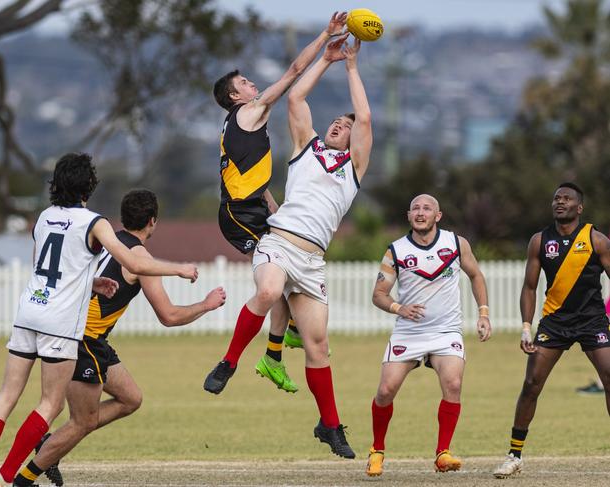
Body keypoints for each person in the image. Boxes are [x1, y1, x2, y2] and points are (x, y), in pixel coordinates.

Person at [0, 154, 196, 487]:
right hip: (59, 322)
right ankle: (5, 476)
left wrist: (92, 282)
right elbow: (133, 262)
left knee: (6, 395)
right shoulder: (94, 222)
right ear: (89, 186)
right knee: (50, 404)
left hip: (30, 309)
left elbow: (44, 269)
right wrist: (179, 269)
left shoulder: (43, 218)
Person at [204, 33, 372, 459]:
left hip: (312, 261)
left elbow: (366, 119)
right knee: (267, 290)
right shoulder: (306, 147)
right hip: (278, 242)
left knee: (317, 347)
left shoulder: (354, 168)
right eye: (338, 120)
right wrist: (328, 60)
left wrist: (353, 67)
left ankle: (329, 425)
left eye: (347, 127)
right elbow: (296, 96)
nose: (341, 124)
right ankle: (228, 362)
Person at [10, 189, 226, 487]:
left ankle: (51, 443)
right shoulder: (139, 258)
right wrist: (207, 304)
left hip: (82, 334)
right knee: (82, 421)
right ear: (153, 221)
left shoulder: (104, 239)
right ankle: (25, 478)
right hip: (82, 338)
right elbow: (169, 316)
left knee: (131, 398)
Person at [213, 12, 347, 393]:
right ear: (235, 97)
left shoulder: (247, 121)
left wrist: (276, 209)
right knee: (278, 273)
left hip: (252, 206)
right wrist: (326, 36)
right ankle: (261, 352)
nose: (252, 83)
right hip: (238, 215)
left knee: (285, 265)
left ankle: (279, 348)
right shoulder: (250, 111)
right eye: (244, 82)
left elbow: (254, 178)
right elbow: (292, 73)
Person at [365, 194, 492, 477]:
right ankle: (377, 451)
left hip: (445, 331)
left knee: (453, 383)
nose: (421, 213)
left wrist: (483, 314)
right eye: (416, 209)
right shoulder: (395, 251)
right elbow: (379, 295)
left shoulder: (456, 244)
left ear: (438, 215)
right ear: (408, 216)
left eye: (427, 208)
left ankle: (442, 453)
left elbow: (476, 276)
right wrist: (400, 308)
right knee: (385, 391)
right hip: (408, 332)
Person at [493, 182, 610, 478]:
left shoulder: (596, 240)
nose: (560, 202)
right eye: (556, 198)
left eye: (567, 199)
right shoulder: (539, 241)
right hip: (555, 322)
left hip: (592, 321)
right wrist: (525, 326)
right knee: (531, 383)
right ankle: (514, 455)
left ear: (579, 208)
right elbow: (529, 287)